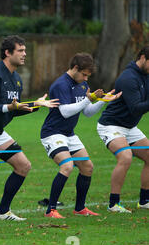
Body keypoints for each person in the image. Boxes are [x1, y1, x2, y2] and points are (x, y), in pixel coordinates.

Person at [0, 35, 59, 224]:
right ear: (8, 53)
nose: (24, 54)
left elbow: (13, 109)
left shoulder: (17, 79)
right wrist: (10, 107)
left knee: (23, 165)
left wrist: (36, 104)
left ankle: (3, 212)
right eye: (20, 50)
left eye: (25, 50)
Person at [40, 53, 121, 219]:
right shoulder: (60, 84)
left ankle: (80, 208)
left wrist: (103, 101)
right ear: (75, 68)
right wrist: (88, 99)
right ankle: (51, 210)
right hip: (52, 133)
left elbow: (88, 112)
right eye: (84, 74)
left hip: (69, 134)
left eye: (87, 76)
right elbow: (65, 112)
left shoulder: (82, 85)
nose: (85, 79)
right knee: (67, 166)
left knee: (87, 167)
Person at [97, 46, 149, 213]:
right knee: (126, 157)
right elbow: (135, 108)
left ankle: (145, 200)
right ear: (143, 57)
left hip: (129, 126)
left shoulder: (146, 76)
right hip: (111, 125)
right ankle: (114, 204)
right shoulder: (128, 78)